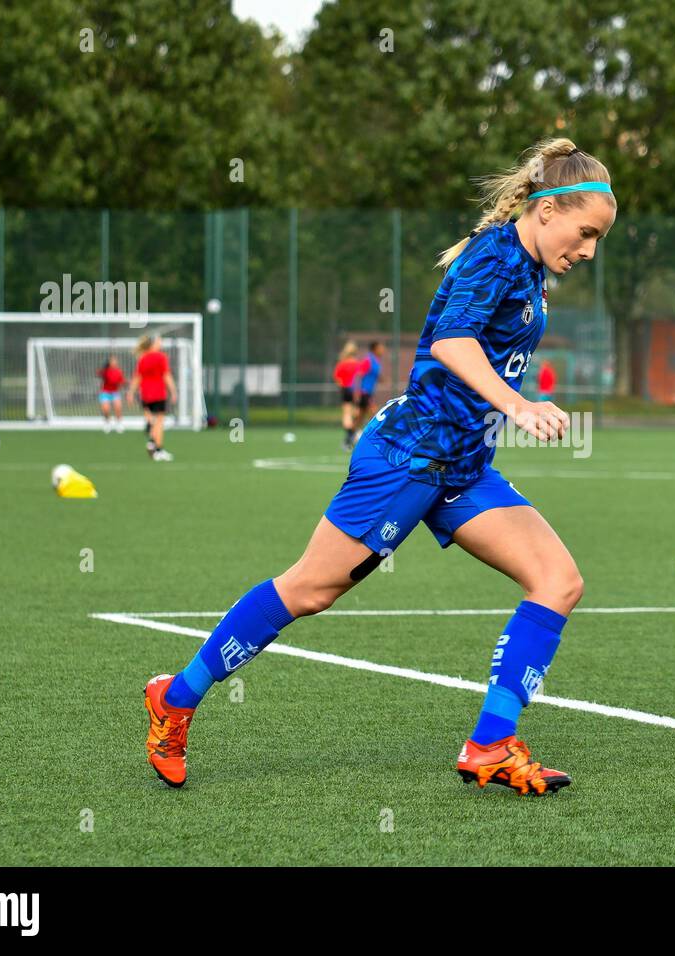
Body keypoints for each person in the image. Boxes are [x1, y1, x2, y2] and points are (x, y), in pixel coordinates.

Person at [143, 138, 615, 795]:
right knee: (309, 590)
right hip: (408, 458)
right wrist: (517, 403)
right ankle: (177, 698)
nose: (590, 249)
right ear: (547, 211)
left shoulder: (530, 267)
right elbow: (451, 341)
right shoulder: (498, 256)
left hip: (461, 466)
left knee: (558, 580)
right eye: (586, 232)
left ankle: (490, 746)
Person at [129, 335, 177, 461]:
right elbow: (166, 375)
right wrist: (173, 391)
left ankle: (153, 445)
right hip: (158, 393)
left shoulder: (142, 358)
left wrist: (131, 392)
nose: (161, 343)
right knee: (159, 422)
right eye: (159, 341)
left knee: (152, 422)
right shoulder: (161, 357)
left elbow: (137, 377)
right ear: (153, 344)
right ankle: (157, 447)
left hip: (145, 394)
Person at [334, 341, 362, 449]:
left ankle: (350, 435)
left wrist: (343, 387)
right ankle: (352, 435)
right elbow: (359, 378)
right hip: (355, 390)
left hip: (345, 390)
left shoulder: (342, 363)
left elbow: (338, 378)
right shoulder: (357, 364)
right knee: (357, 413)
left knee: (347, 414)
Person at [354, 340, 386, 432]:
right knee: (375, 414)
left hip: (369, 392)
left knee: (360, 415)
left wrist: (382, 379)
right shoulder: (368, 360)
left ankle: (350, 436)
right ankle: (377, 434)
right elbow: (359, 375)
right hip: (364, 392)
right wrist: (357, 392)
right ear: (374, 349)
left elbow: (376, 374)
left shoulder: (376, 361)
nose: (383, 350)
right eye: (380, 348)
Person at [97, 355, 125, 433]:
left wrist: (124, 383)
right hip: (105, 392)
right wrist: (104, 372)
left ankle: (119, 423)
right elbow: (99, 373)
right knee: (106, 409)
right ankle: (107, 422)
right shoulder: (105, 371)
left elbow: (121, 381)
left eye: (115, 360)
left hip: (115, 393)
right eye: (112, 360)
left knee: (118, 407)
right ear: (109, 362)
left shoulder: (119, 371)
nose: (114, 362)